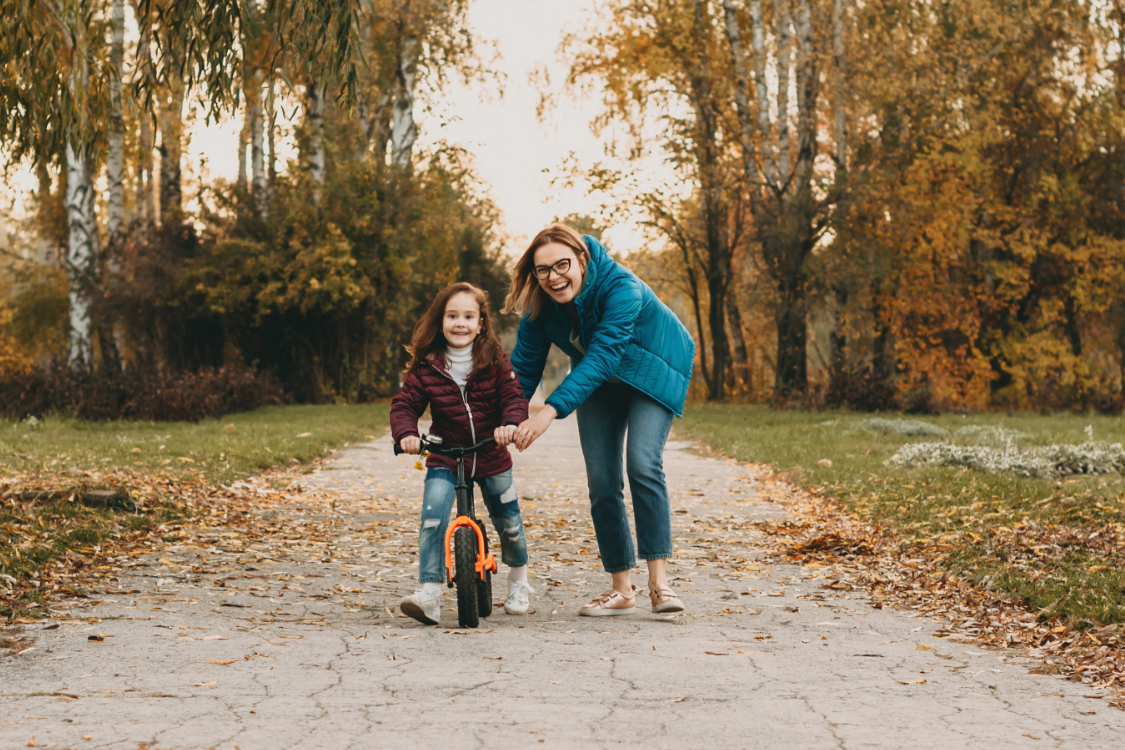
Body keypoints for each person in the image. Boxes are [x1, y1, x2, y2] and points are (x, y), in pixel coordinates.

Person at [504, 224, 695, 616]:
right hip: (599, 375)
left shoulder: (623, 288)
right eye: (543, 270)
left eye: (562, 265)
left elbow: (606, 353)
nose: (554, 278)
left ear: (582, 259)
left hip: (652, 369)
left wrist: (549, 413)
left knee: (642, 463)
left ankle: (660, 584)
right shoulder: (541, 307)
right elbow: (523, 370)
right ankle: (622, 589)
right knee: (602, 480)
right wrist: (508, 416)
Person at [390, 282, 533, 624]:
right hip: (445, 453)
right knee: (433, 518)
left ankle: (519, 580)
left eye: (469, 316)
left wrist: (509, 425)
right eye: (452, 315)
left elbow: (514, 397)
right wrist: (407, 433)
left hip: (490, 452)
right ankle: (430, 592)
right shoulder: (427, 366)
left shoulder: (494, 359)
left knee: (509, 521)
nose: (460, 323)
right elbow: (405, 404)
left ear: (481, 322)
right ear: (440, 321)